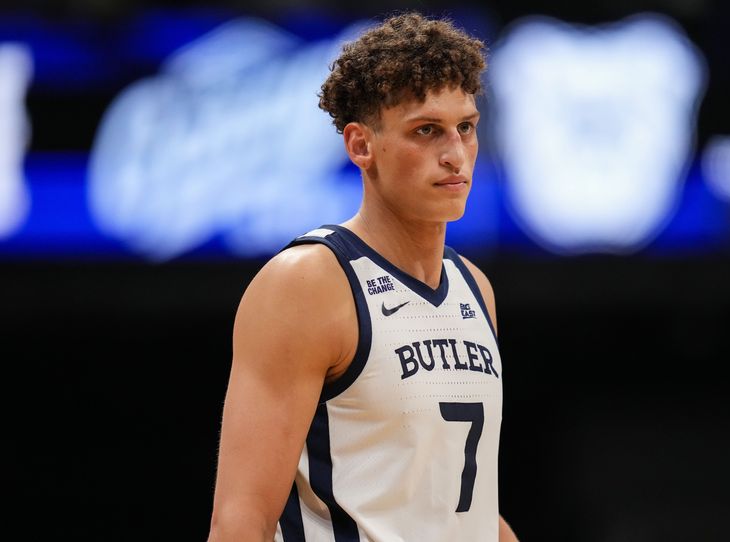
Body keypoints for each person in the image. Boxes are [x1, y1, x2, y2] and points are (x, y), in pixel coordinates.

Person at [207, 11, 519, 542]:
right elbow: (240, 520)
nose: (454, 155)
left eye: (465, 127)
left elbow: (463, 510)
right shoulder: (308, 283)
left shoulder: (474, 287)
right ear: (360, 145)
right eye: (426, 131)